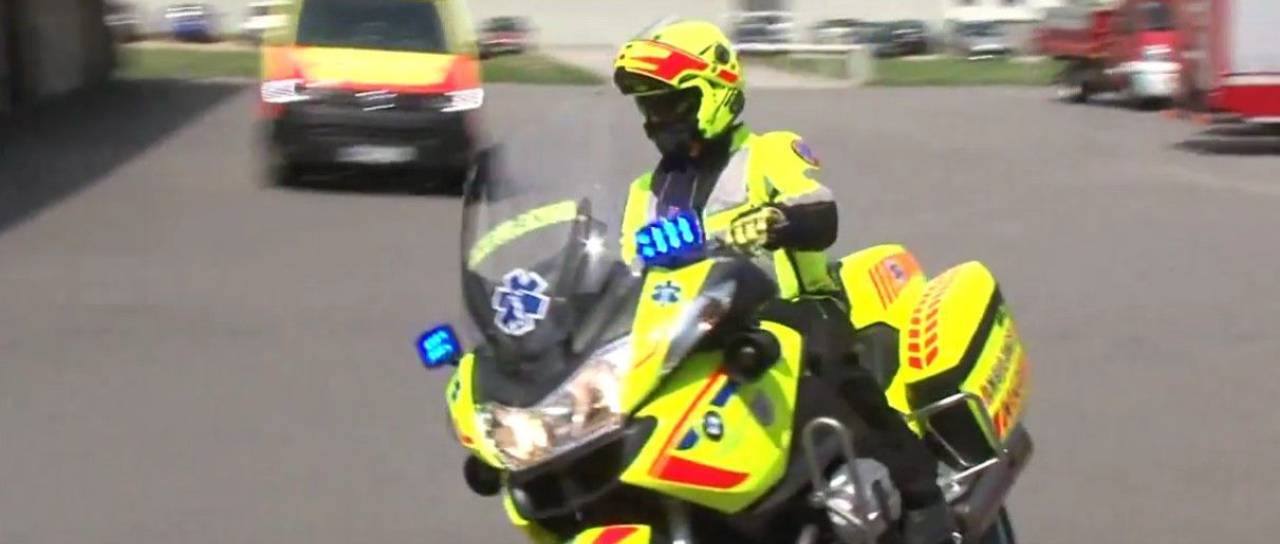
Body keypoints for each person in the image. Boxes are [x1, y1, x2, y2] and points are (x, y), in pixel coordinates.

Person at [612, 20, 957, 544]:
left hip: (795, 309)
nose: (658, 119)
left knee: (826, 367)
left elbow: (818, 210)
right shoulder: (645, 191)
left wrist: (773, 221)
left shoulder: (770, 152)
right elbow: (625, 270)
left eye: (670, 103)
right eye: (649, 106)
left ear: (714, 94)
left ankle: (922, 496)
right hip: (692, 332)